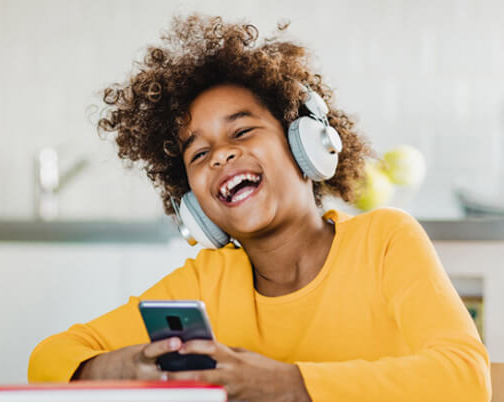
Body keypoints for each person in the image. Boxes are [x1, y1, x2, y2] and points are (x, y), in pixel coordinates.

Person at [28, 14, 491, 402]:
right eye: (198, 154)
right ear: (192, 202)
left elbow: (466, 379)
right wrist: (124, 367)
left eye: (242, 132)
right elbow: (46, 360)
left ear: (305, 145)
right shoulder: (203, 282)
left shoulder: (385, 241)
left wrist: (290, 384)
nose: (221, 156)